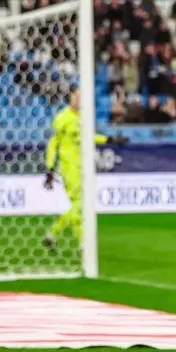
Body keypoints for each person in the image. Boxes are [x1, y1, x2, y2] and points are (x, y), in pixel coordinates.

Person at [43, 88, 122, 248]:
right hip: (69, 168)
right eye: (77, 96)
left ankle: (55, 235)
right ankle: (78, 241)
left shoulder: (81, 117)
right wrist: (50, 167)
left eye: (81, 96)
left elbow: (87, 136)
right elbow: (53, 143)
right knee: (81, 204)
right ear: (71, 98)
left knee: (78, 207)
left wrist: (108, 139)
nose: (79, 99)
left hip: (82, 167)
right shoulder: (62, 118)